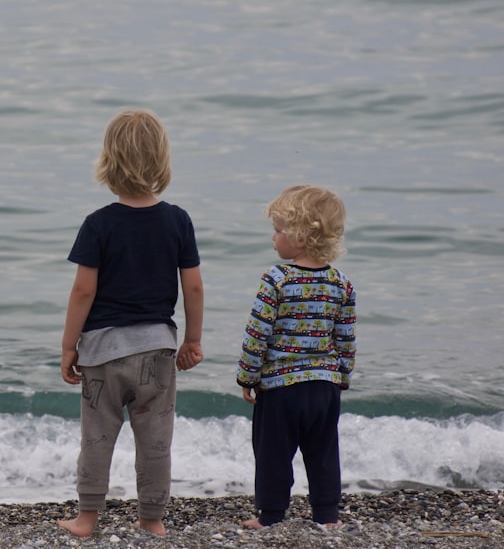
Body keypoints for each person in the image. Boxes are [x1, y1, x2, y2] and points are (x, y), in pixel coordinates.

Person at [57, 109, 204, 538]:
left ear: (109, 161)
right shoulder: (177, 220)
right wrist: (191, 340)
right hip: (157, 348)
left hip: (103, 352)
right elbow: (193, 288)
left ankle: (86, 519)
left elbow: (83, 292)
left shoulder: (98, 224)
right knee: (156, 439)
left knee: (98, 438)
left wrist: (69, 346)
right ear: (162, 161)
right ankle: (152, 520)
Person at [236, 185, 357, 529]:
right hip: (324, 387)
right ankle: (327, 515)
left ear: (301, 237)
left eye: (278, 230)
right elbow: (345, 339)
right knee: (323, 453)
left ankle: (271, 515)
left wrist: (247, 376)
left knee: (273, 453)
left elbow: (258, 334)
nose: (273, 237)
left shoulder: (276, 280)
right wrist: (342, 376)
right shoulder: (341, 284)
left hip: (280, 388)